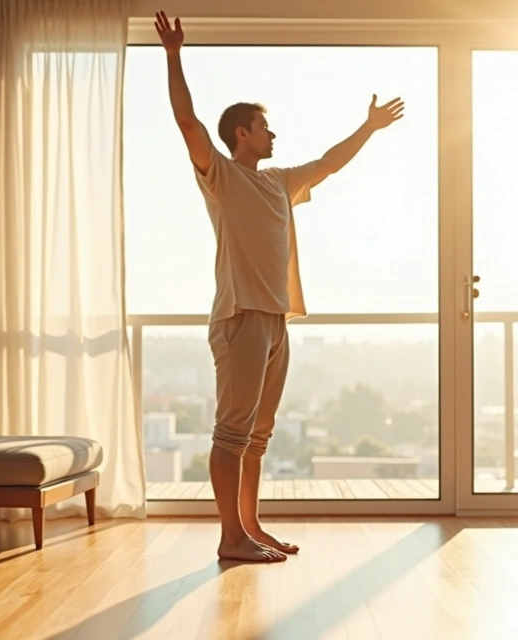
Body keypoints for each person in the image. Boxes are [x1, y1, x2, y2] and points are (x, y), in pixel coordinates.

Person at [154, 11, 405, 563]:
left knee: (257, 436)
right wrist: (173, 56)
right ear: (242, 133)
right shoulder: (221, 176)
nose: (273, 135)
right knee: (231, 434)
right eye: (265, 128)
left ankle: (250, 526)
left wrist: (368, 127)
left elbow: (329, 163)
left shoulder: (278, 182)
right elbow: (188, 123)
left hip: (275, 320)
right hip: (240, 317)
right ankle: (230, 538)